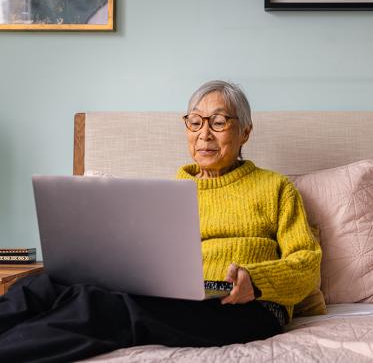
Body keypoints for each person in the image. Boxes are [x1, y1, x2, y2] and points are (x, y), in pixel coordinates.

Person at [0, 80, 322, 362]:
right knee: (38, 285)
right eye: (195, 122)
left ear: (245, 132)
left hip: (242, 306)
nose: (204, 134)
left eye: (219, 122)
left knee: (95, 306)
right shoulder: (169, 190)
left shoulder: (276, 188)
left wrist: (256, 280)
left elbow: (308, 264)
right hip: (171, 294)